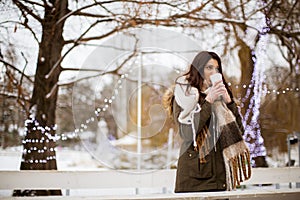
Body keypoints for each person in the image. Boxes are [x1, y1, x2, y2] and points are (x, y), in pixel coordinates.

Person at [163, 51, 251, 193]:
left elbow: (239, 132)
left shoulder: (221, 98)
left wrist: (229, 102)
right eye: (209, 68)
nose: (214, 72)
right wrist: (208, 101)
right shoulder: (183, 95)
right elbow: (186, 134)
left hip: (221, 176)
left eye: (217, 69)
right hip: (195, 178)